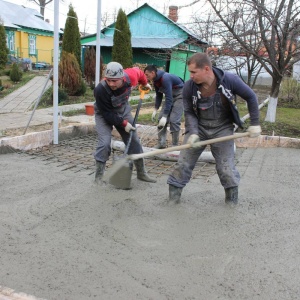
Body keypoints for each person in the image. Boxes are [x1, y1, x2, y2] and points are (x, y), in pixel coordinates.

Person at [167, 53, 261, 205]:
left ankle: (231, 202)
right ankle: (173, 199)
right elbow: (189, 111)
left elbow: (251, 97)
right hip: (199, 128)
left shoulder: (230, 80)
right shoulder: (189, 87)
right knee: (183, 164)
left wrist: (255, 123)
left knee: (226, 168)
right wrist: (193, 133)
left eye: (193, 72)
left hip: (223, 128)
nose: (190, 76)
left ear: (206, 69)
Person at [93, 62, 156, 184]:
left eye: (114, 81)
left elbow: (139, 72)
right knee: (104, 143)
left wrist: (145, 83)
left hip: (122, 109)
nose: (111, 84)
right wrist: (123, 124)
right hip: (104, 113)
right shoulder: (100, 89)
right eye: (108, 80)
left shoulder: (131, 76)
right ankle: (99, 177)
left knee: (134, 141)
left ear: (122, 77)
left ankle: (141, 173)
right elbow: (107, 114)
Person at [144, 65, 184, 148]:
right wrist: (155, 109)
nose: (146, 77)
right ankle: (161, 143)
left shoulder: (165, 78)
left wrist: (165, 116)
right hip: (170, 96)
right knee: (160, 119)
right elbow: (159, 95)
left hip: (181, 95)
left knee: (174, 120)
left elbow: (168, 97)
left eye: (147, 75)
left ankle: (175, 146)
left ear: (153, 72)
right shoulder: (155, 80)